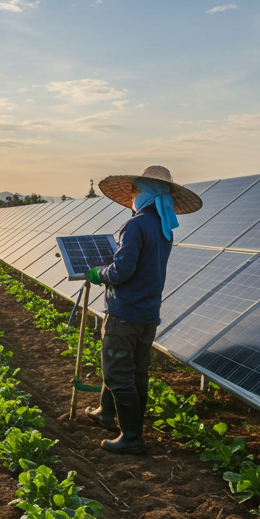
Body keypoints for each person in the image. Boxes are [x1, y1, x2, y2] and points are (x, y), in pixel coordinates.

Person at [80, 166, 201, 453]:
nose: (131, 197)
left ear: (143, 194)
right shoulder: (163, 226)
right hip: (148, 312)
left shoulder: (135, 225)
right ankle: (105, 413)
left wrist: (99, 273)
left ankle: (131, 437)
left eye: (134, 192)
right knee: (136, 372)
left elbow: (122, 271)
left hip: (125, 312)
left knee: (118, 374)